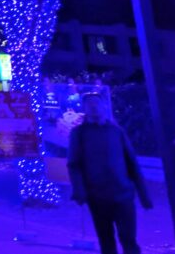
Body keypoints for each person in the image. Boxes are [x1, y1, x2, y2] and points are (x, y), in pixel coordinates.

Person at [68, 92, 151, 254]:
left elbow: (131, 162)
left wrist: (144, 194)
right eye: (89, 103)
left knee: (129, 239)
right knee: (106, 240)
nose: (94, 106)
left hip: (123, 194)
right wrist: (80, 191)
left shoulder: (116, 131)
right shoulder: (79, 133)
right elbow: (74, 164)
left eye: (97, 102)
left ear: (104, 106)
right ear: (84, 108)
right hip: (97, 196)